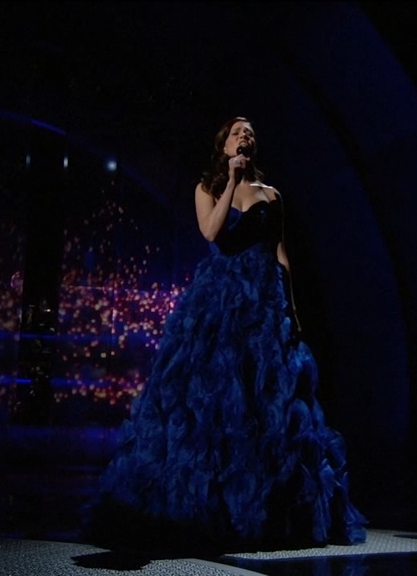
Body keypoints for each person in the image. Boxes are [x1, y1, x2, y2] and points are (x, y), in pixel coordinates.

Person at [79, 117, 367, 554]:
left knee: (266, 398)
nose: (244, 135)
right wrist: (231, 182)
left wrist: (291, 308)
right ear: (224, 146)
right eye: (236, 132)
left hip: (264, 300)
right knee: (213, 394)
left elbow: (280, 252)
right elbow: (212, 233)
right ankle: (205, 507)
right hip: (222, 297)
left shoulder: (272, 195)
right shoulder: (208, 187)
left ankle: (268, 508)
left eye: (249, 132)